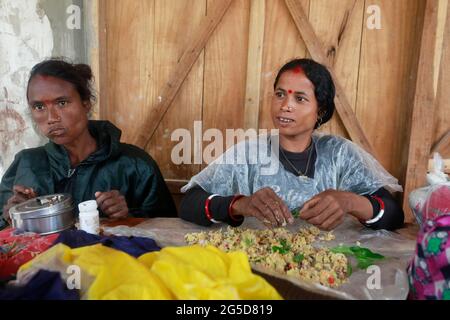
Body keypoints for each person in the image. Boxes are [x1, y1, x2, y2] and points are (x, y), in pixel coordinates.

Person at [179, 58, 404, 231]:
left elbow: (394, 214)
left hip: (326, 274)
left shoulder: (340, 154)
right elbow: (189, 204)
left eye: (300, 98)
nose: (285, 106)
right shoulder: (248, 154)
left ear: (321, 111)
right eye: (279, 94)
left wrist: (350, 201)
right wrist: (239, 205)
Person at [0, 59, 177, 229]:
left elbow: (170, 231)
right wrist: (10, 217)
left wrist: (129, 216)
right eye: (39, 107)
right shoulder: (25, 164)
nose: (51, 118)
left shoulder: (135, 165)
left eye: (62, 103)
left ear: (86, 104)